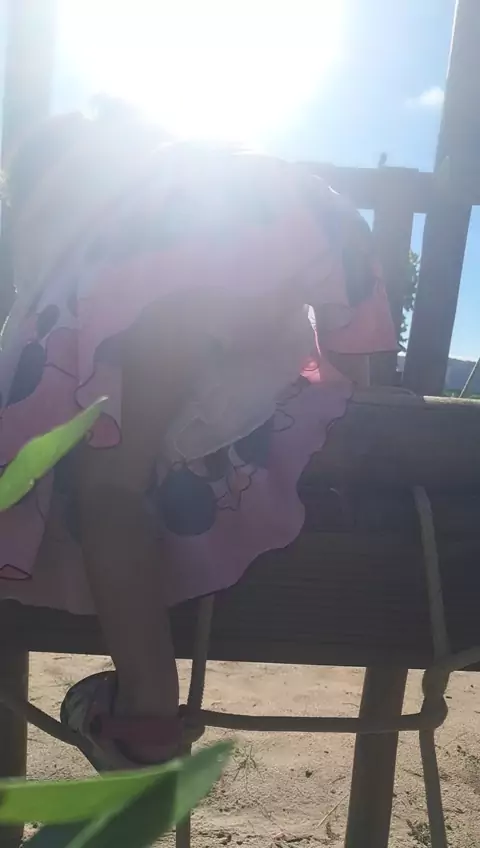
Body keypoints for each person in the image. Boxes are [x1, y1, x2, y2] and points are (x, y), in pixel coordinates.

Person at [0, 101, 396, 769]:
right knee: (346, 397)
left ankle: (146, 712)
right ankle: (369, 419)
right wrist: (362, 383)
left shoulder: (93, 224)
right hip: (302, 222)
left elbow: (49, 306)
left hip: (158, 273)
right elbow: (346, 287)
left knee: (112, 489)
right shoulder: (202, 169)